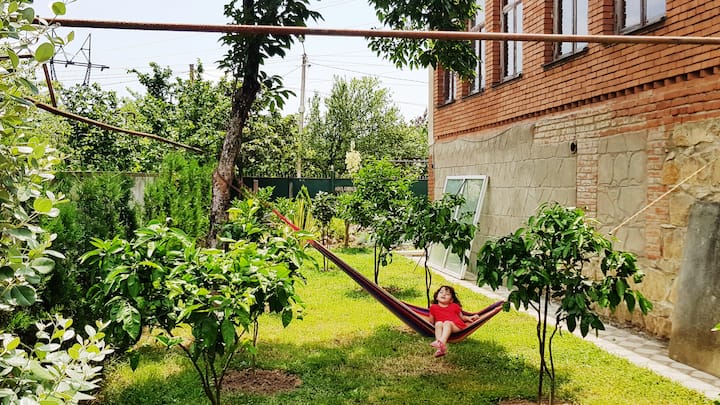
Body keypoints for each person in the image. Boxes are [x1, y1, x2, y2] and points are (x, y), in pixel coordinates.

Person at [427, 285, 480, 357]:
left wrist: (471, 317)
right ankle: (440, 349)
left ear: (451, 300)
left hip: (456, 326)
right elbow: (431, 322)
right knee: (438, 323)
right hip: (442, 326)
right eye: (441, 292)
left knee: (447, 323)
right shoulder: (433, 307)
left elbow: (462, 317)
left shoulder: (454, 306)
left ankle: (442, 342)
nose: (444, 294)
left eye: (447, 294)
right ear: (436, 297)